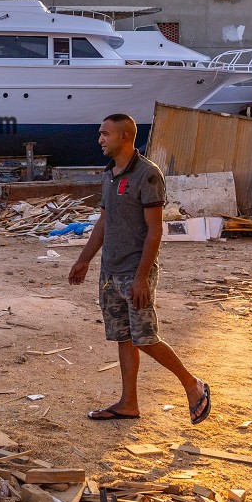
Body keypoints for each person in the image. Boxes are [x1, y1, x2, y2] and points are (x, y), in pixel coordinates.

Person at [68, 113, 211, 425]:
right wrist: (85, 260)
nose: (100, 139)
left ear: (125, 137)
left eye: (105, 134)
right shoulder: (109, 173)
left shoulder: (147, 174)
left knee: (145, 337)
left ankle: (193, 385)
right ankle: (128, 403)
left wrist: (142, 277)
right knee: (124, 338)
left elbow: (155, 231)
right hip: (110, 273)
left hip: (136, 273)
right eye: (100, 133)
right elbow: (103, 223)